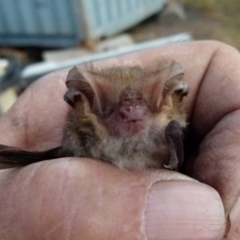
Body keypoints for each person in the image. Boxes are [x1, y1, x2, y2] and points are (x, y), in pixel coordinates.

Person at [0, 41, 238, 239]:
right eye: (118, 111)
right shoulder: (83, 136)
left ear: (162, 105)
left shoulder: (169, 136)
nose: (132, 114)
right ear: (92, 111)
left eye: (141, 107)